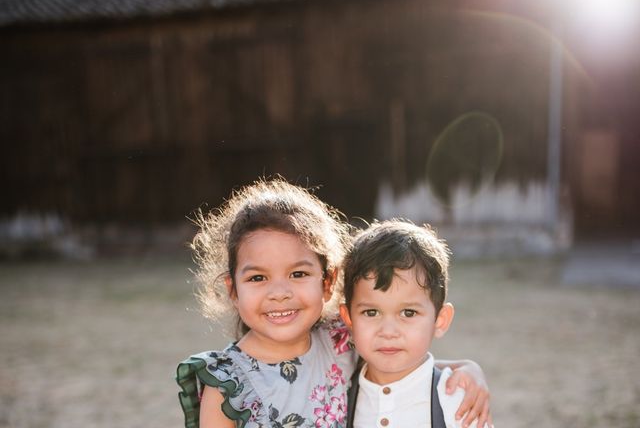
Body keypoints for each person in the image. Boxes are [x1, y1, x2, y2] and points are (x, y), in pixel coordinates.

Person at [176, 178, 491, 428]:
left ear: (327, 282)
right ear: (233, 289)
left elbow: (399, 361)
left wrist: (466, 369)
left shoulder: (340, 341)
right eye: (258, 278)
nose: (279, 292)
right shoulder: (226, 384)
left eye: (298, 273)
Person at [340, 219, 492, 428]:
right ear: (348, 317)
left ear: (440, 320)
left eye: (408, 313)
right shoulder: (338, 393)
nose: (388, 331)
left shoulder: (455, 399)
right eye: (371, 312)